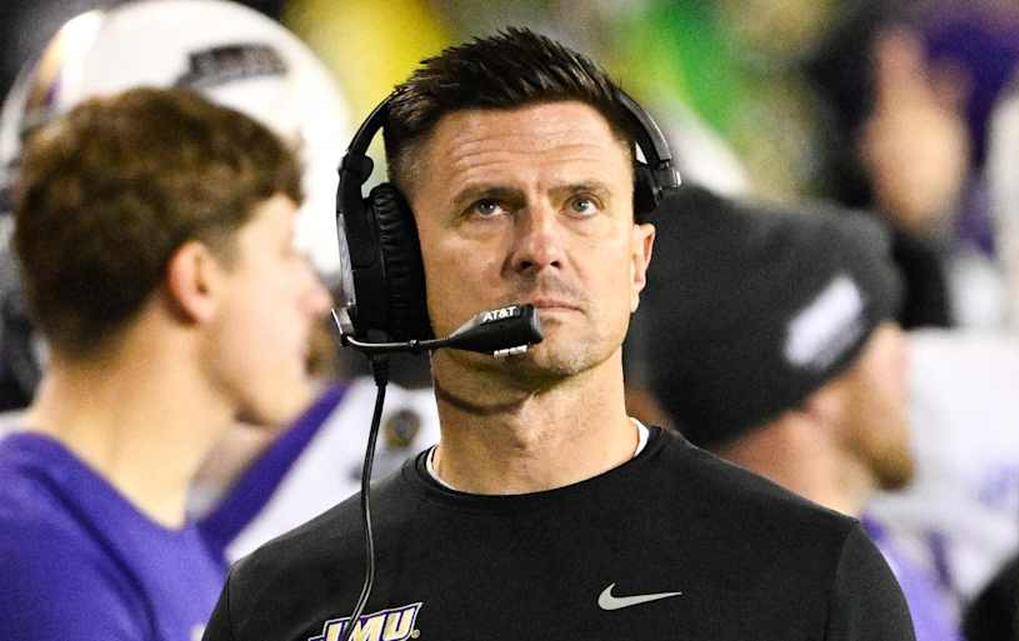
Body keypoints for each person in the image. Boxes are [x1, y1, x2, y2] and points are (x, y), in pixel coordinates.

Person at [203, 28, 915, 641]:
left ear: (638, 260)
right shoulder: (282, 602)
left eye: (582, 203)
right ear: (396, 267)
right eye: (488, 206)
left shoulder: (816, 577)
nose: (541, 245)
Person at [0, 88, 330, 639]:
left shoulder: (166, 546)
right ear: (197, 280)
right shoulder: (34, 558)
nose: (316, 297)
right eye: (286, 250)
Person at [638, 187, 955, 641]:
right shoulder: (803, 613)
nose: (903, 351)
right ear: (814, 387)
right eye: (874, 331)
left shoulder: (875, 560)